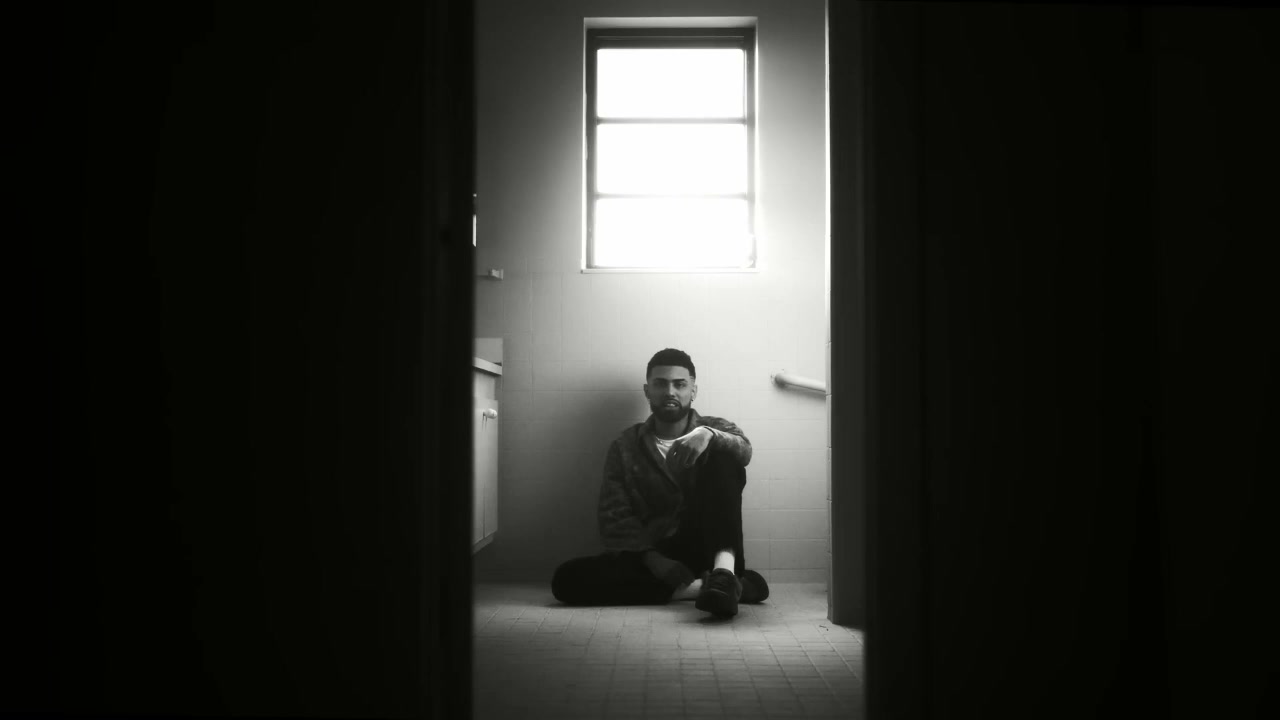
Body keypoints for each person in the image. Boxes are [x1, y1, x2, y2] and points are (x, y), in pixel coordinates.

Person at [551, 348, 769, 617]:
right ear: (647, 390)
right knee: (566, 579)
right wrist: (654, 560)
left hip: (710, 549)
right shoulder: (625, 446)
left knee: (725, 456)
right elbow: (614, 517)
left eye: (680, 384)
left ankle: (723, 575)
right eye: (660, 384)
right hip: (654, 555)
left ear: (693, 390)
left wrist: (708, 434)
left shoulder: (714, 428)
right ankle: (713, 588)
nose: (670, 392)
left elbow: (745, 451)